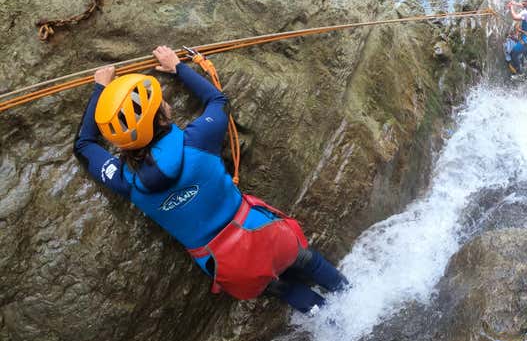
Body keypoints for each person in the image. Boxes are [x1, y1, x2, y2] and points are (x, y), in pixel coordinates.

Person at [73, 46, 348, 313]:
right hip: (264, 234)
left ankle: (330, 322)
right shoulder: (198, 140)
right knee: (309, 263)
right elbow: (218, 101)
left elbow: (84, 144)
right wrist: (177, 67)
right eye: (162, 103)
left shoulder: (124, 180)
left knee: (285, 290)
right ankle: (351, 298)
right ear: (159, 117)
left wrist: (100, 90)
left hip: (228, 266)